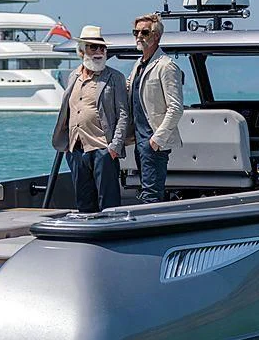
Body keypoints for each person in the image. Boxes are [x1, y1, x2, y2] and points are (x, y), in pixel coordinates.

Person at [52, 25, 129, 213]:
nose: (99, 52)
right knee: (84, 204)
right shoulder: (73, 76)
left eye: (102, 48)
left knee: (109, 205)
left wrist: (114, 147)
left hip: (103, 149)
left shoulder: (115, 77)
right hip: (76, 150)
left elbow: (123, 114)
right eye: (93, 47)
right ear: (82, 50)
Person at [126, 13, 183, 203]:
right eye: (136, 32)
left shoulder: (167, 66)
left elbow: (175, 108)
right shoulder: (139, 65)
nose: (139, 36)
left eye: (144, 32)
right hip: (139, 140)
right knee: (144, 190)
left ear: (156, 36)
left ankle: (149, 229)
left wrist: (157, 140)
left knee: (151, 195)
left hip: (153, 141)